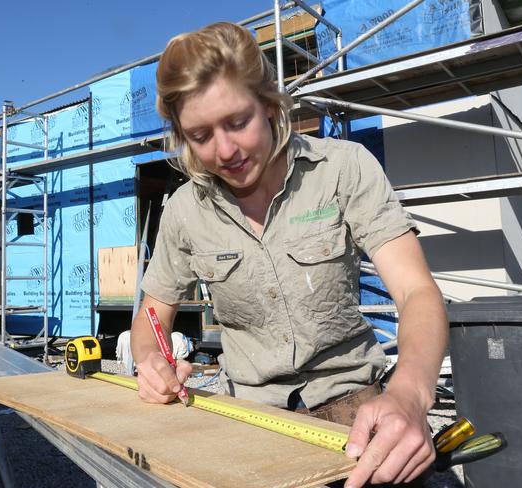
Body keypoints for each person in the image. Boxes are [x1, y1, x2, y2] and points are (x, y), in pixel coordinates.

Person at [130, 22, 447, 487]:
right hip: (248, 421)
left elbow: (417, 291)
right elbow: (151, 316)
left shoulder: (344, 168)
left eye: (238, 122)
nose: (225, 151)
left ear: (270, 103)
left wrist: (410, 394)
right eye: (199, 135)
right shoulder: (183, 212)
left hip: (355, 409)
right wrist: (149, 362)